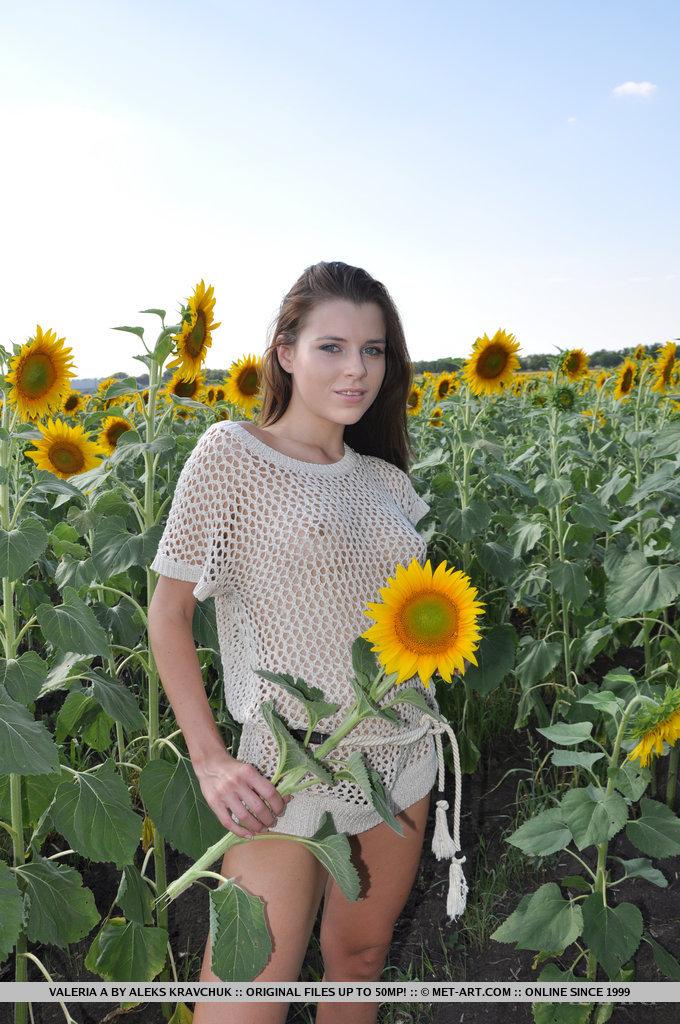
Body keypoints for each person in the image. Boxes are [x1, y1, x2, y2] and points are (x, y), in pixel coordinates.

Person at [148, 261, 446, 1024]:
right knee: (245, 998)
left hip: (400, 757)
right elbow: (169, 615)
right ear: (284, 351)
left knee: (360, 962)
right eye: (333, 347)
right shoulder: (231, 457)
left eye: (374, 351)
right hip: (286, 766)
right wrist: (211, 759)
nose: (357, 370)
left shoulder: (385, 482)